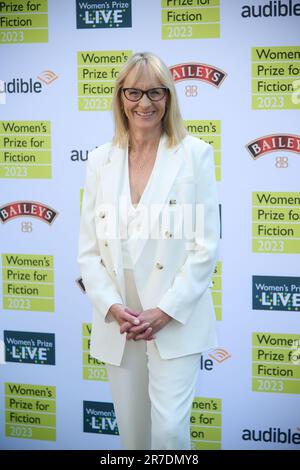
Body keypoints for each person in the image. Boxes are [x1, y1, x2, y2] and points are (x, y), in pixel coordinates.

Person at [77, 52, 220, 450]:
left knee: (170, 433)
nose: (145, 103)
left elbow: (205, 246)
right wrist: (110, 306)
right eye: (134, 92)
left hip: (174, 314)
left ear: (169, 98)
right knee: (134, 438)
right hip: (119, 316)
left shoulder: (195, 154)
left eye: (155, 92)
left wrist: (165, 311)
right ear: (120, 97)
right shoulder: (99, 160)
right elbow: (88, 251)